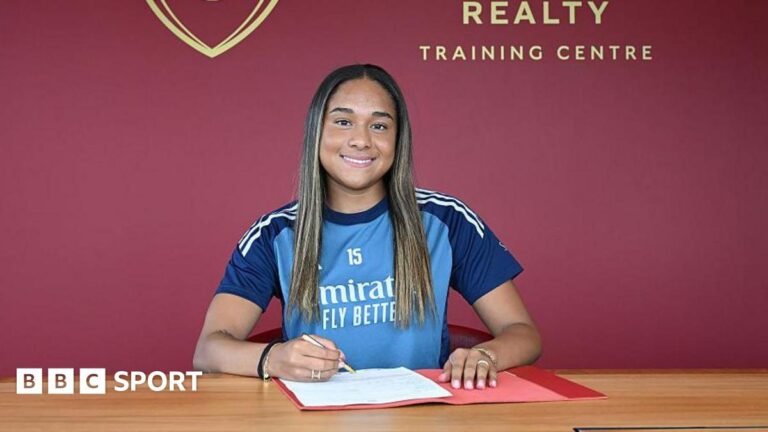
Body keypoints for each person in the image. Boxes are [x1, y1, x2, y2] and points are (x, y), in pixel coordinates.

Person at [193, 64, 541, 390]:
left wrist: (485, 355)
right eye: (343, 121)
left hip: (424, 417)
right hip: (312, 420)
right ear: (317, 131)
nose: (361, 140)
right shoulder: (275, 234)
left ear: (398, 139)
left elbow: (523, 333)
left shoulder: (446, 220)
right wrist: (274, 358)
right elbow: (208, 350)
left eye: (379, 126)